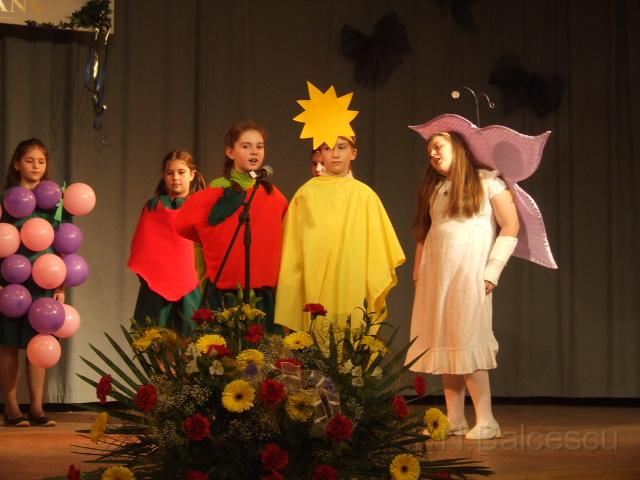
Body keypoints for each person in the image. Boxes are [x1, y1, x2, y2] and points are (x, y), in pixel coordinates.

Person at [406, 128, 520, 441]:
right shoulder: (436, 189)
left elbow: (511, 226)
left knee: (468, 339)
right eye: (429, 151)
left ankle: (486, 420)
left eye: (438, 146)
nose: (432, 154)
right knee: (448, 343)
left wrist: (492, 270)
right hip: (437, 277)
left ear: (458, 147)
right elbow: (426, 233)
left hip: (470, 275)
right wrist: (419, 271)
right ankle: (454, 419)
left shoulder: (488, 182)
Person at [275, 83, 404, 333]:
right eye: (328, 148)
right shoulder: (306, 194)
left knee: (348, 341)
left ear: (353, 153)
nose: (335, 154)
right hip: (315, 284)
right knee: (317, 340)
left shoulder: (365, 196)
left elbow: (379, 252)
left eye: (341, 147)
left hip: (351, 283)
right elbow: (292, 249)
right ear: (319, 154)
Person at [175, 121, 288, 332]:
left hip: (263, 298)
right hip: (223, 295)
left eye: (259, 146)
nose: (254, 152)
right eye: (246, 146)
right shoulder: (214, 194)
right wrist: (206, 282)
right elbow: (198, 243)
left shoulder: (274, 197)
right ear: (230, 152)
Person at [0, 138, 63, 427]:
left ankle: (37, 407)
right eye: (29, 160)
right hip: (10, 281)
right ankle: (12, 407)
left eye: (41, 161)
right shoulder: (5, 200)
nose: (36, 166)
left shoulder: (55, 202)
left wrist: (60, 285)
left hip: (44, 280)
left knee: (40, 342)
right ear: (16, 164)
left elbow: (64, 245)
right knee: (9, 345)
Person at [127, 149, 206, 335]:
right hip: (156, 288)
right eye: (170, 173)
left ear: (192, 174)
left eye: (181, 172)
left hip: (193, 285)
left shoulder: (202, 207)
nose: (175, 178)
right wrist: (152, 277)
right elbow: (141, 246)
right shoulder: (153, 207)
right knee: (156, 340)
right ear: (164, 175)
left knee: (192, 341)